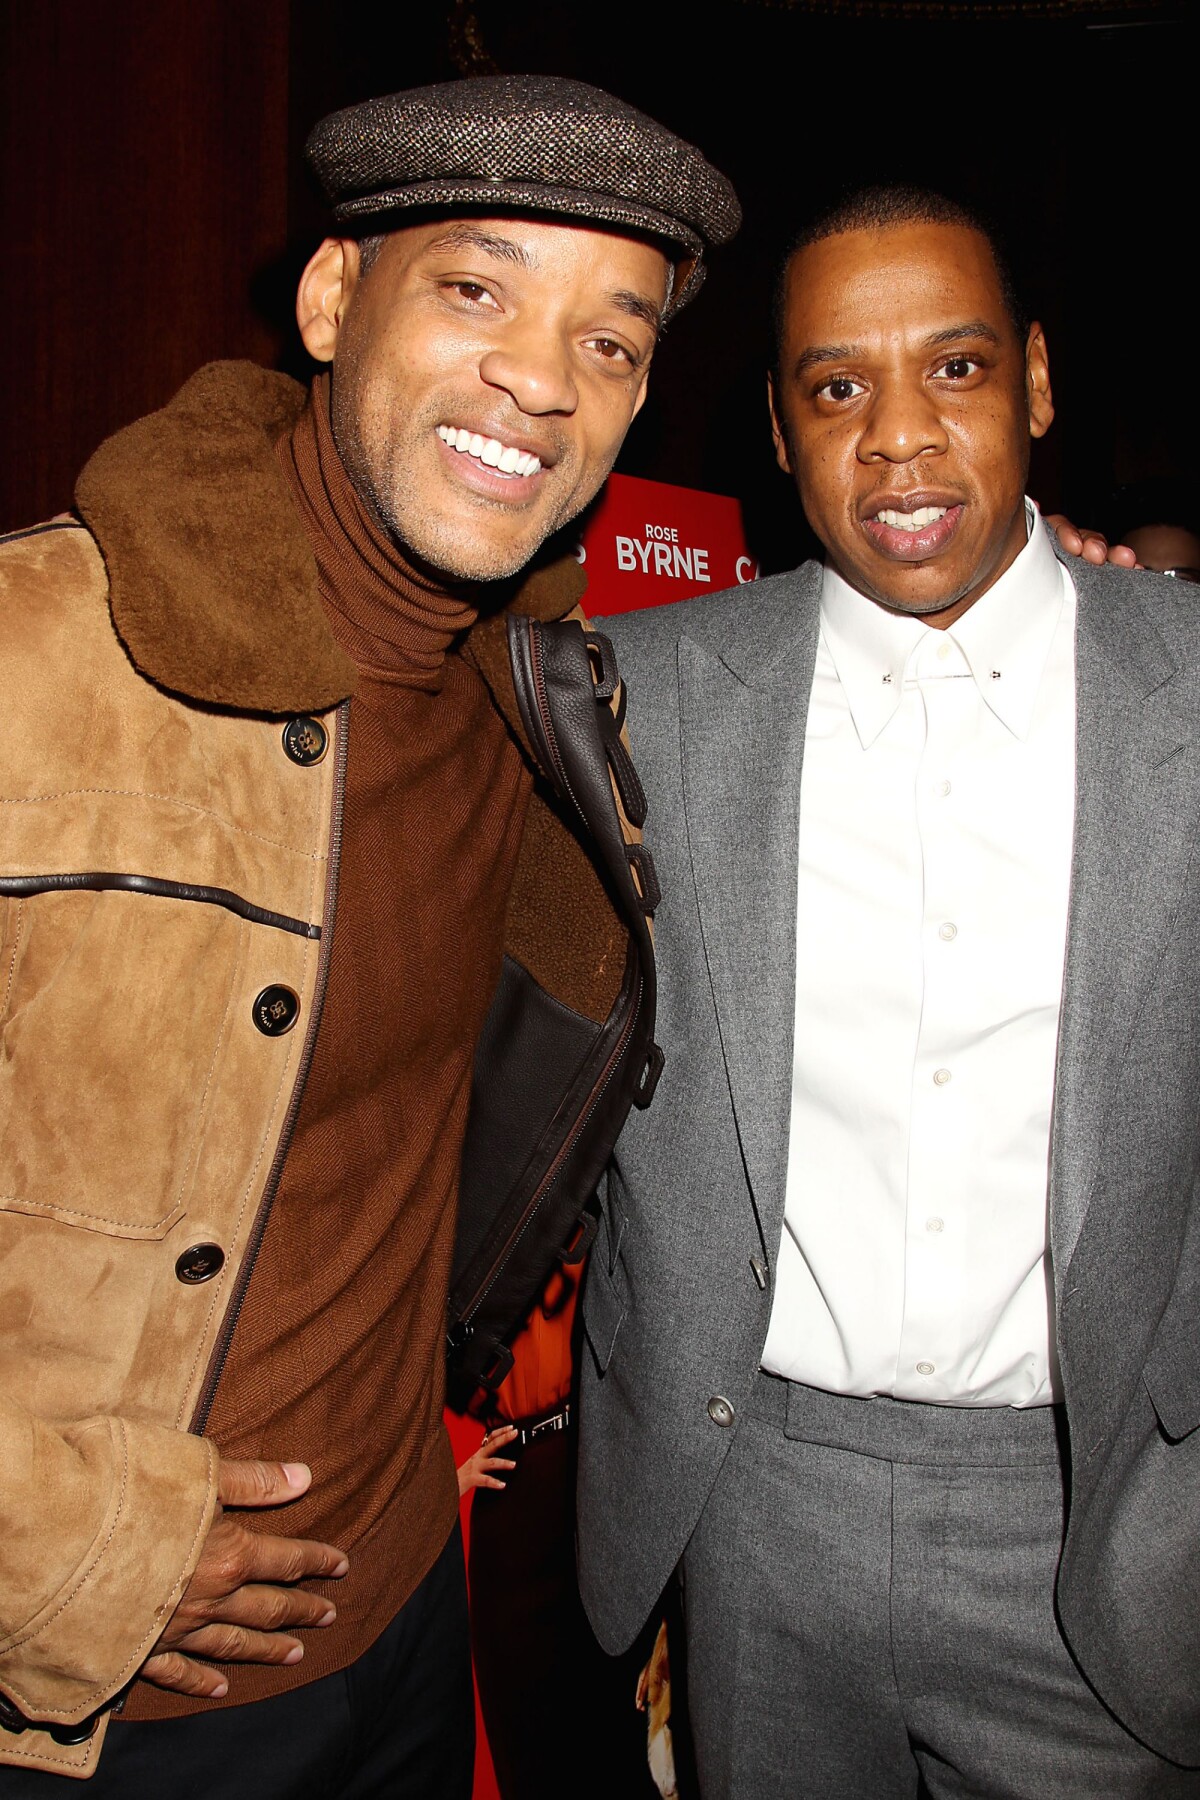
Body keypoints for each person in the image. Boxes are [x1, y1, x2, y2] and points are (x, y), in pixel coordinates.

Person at [0, 73, 739, 1796]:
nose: (543, 382)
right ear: (335, 301)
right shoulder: (42, 661)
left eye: (612, 341)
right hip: (104, 1713)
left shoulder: (540, 719)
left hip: (412, 1632)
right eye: (476, 290)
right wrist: (56, 1550)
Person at [577, 184, 1200, 1797]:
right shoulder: (649, 701)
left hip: (1115, 1514)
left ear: (1040, 386)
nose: (900, 439)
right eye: (837, 388)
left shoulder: (1186, 683)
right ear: (779, 436)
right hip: (754, 1508)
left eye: (960, 370)